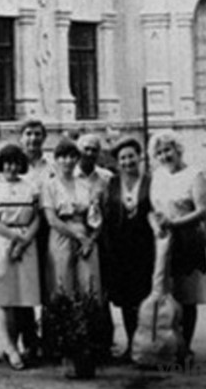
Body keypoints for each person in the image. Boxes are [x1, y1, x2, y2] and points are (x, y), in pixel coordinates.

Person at [149, 129, 206, 359]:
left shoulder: (194, 174)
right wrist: (156, 226)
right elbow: (153, 208)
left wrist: (175, 224)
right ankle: (169, 342)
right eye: (159, 153)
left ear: (178, 150)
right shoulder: (158, 175)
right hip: (163, 240)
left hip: (187, 239)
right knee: (167, 293)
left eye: (167, 150)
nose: (164, 156)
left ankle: (185, 346)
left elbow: (202, 211)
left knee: (187, 296)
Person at [0, 144, 41, 371]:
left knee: (24, 297)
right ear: (0, 164)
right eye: (7, 163)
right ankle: (10, 347)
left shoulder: (30, 187)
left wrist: (23, 242)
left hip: (27, 244)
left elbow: (37, 218)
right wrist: (14, 238)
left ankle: (28, 346)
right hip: (1, 242)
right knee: (3, 298)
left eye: (16, 163)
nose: (12, 167)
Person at [101, 136, 154, 362]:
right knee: (125, 300)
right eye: (122, 158)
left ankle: (148, 345)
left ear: (139, 157)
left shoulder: (150, 181)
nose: (127, 162)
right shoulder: (112, 183)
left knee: (145, 298)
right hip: (120, 249)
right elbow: (106, 212)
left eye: (131, 156)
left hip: (146, 248)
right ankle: (132, 344)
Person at [41, 138, 105, 299]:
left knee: (89, 284)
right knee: (62, 284)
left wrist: (90, 239)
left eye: (72, 156)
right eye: (63, 157)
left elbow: (96, 217)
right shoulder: (50, 185)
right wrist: (78, 236)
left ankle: (88, 314)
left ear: (77, 159)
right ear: (56, 159)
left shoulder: (86, 185)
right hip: (61, 235)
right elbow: (52, 219)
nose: (68, 161)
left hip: (85, 237)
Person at [75, 134, 115, 360]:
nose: (89, 153)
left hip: (101, 238)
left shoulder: (106, 177)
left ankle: (102, 342)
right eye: (86, 148)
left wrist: (95, 236)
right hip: (75, 237)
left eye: (94, 149)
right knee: (77, 287)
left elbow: (109, 211)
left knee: (100, 289)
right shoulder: (69, 175)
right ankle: (77, 340)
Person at [18, 120, 53, 360]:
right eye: (28, 134)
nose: (33, 139)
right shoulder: (14, 165)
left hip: (50, 229)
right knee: (25, 287)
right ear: (21, 137)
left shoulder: (52, 165)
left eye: (37, 134)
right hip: (23, 230)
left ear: (44, 138)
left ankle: (51, 340)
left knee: (50, 284)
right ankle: (29, 341)